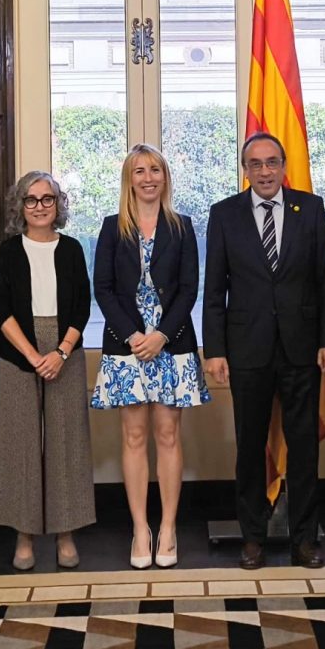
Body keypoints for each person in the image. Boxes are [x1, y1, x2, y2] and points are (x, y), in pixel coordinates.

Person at [203, 132, 325, 570]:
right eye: (255, 164)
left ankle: (304, 540)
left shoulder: (311, 208)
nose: (264, 171)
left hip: (302, 348)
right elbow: (214, 289)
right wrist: (215, 349)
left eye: (271, 162)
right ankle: (253, 538)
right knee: (249, 448)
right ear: (245, 170)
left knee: (304, 450)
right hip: (247, 350)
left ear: (284, 166)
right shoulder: (224, 214)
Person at [91, 144, 208, 570]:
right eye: (139, 171)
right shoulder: (111, 228)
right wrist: (135, 336)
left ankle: (170, 528)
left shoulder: (182, 227)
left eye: (155, 169)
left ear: (165, 177)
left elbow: (189, 289)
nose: (148, 177)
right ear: (129, 179)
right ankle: (140, 528)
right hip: (127, 349)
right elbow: (102, 287)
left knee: (168, 436)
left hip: (171, 346)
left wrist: (160, 335)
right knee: (134, 438)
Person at [0, 171, 95, 570]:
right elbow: (0, 307)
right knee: (21, 445)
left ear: (58, 205)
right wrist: (33, 355)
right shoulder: (10, 251)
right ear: (20, 206)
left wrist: (61, 353)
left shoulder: (71, 249)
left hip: (64, 349)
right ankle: (24, 536)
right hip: (19, 350)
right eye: (31, 200)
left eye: (47, 199)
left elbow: (82, 306)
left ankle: (66, 534)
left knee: (66, 443)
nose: (39, 207)